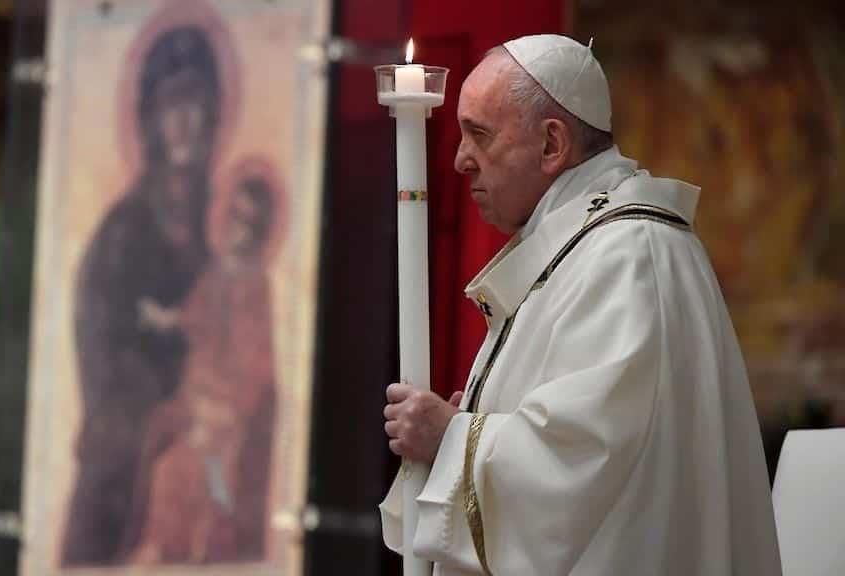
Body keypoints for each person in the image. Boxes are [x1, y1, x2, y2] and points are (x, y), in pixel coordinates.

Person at [379, 34, 782, 575]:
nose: (458, 162)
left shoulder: (630, 253)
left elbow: (581, 458)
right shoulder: (588, 247)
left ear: (552, 145)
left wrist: (451, 438)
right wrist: (469, 423)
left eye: (479, 135)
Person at [62, 26, 222, 566]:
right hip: (130, 441)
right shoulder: (124, 233)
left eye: (197, 102)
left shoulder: (224, 220)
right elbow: (104, 357)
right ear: (149, 119)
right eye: (171, 104)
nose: (186, 122)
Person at [124, 167, 279, 563]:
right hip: (196, 394)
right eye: (234, 216)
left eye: (249, 222)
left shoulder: (254, 282)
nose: (238, 229)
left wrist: (222, 407)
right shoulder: (218, 271)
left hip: (228, 407)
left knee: (181, 469)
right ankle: (155, 540)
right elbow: (195, 317)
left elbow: (256, 363)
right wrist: (163, 319)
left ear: (261, 230)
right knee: (156, 443)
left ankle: (192, 548)